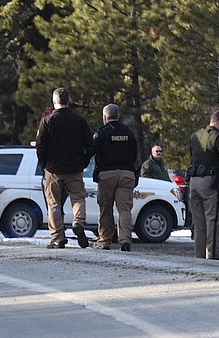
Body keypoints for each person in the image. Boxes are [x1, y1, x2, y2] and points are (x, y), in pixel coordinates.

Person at [35, 87, 94, 248]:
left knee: (54, 204)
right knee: (78, 198)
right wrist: (83, 162)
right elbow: (90, 145)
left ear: (54, 102)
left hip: (53, 169)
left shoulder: (47, 122)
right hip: (74, 168)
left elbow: (40, 146)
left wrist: (45, 165)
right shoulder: (79, 121)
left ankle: (57, 237)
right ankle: (78, 222)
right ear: (68, 101)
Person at [92, 103, 140, 251]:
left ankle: (104, 241)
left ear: (105, 117)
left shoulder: (102, 133)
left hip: (107, 174)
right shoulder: (128, 132)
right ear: (118, 116)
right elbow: (134, 155)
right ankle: (125, 240)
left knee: (105, 208)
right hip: (126, 174)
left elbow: (92, 151)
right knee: (124, 209)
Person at [188, 110, 219, 261]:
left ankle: (198, 256)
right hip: (209, 182)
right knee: (212, 220)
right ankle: (213, 254)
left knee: (199, 222)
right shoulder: (218, 137)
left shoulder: (195, 135)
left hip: (193, 181)